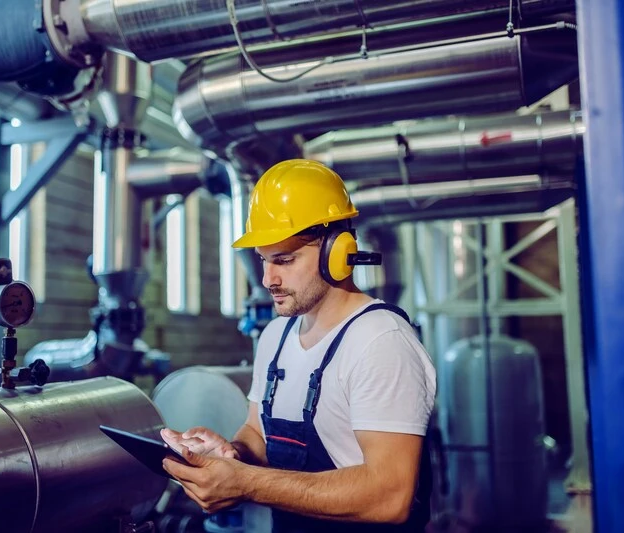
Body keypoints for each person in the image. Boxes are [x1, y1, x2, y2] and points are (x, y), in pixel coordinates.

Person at [161, 159, 437, 532]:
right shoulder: (275, 337)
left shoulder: (380, 341)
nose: (267, 279)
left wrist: (245, 482)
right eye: (263, 260)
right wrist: (232, 455)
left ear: (337, 253)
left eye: (284, 260)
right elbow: (257, 433)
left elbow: (391, 496)